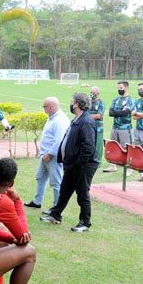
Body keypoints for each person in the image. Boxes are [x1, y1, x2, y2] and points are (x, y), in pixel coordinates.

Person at [40, 93, 98, 232]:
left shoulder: (87, 121)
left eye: (72, 102)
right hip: (72, 164)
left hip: (83, 165)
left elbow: (88, 147)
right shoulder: (77, 119)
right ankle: (56, 214)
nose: (71, 104)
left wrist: (78, 163)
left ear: (77, 104)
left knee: (82, 193)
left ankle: (85, 222)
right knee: (65, 191)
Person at [24, 97, 70, 211]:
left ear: (51, 107)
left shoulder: (60, 120)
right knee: (40, 177)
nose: (44, 109)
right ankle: (37, 201)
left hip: (52, 157)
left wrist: (50, 154)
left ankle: (56, 207)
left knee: (56, 182)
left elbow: (59, 140)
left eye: (45, 106)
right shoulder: (53, 117)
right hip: (45, 155)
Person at [104, 81, 134, 174]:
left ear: (126, 88)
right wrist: (120, 111)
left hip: (125, 128)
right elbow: (110, 113)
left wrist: (117, 112)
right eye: (118, 88)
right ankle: (113, 165)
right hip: (115, 127)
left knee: (126, 148)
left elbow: (126, 112)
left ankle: (130, 167)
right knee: (114, 146)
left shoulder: (130, 100)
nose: (119, 90)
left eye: (121, 88)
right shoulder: (115, 99)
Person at [88, 86, 105, 165]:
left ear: (98, 93)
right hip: (88, 127)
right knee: (89, 144)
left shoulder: (101, 103)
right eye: (91, 92)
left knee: (98, 145)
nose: (92, 94)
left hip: (98, 128)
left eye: (93, 93)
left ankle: (98, 161)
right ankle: (90, 159)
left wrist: (87, 116)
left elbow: (99, 116)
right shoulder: (88, 102)